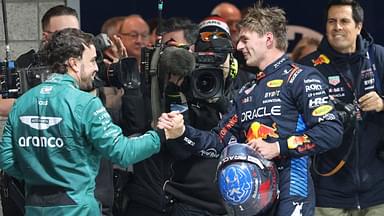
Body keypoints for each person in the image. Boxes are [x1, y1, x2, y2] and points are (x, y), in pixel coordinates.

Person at [158, 3, 343, 216]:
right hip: (252, 201)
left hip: (292, 190)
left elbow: (331, 131)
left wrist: (278, 148)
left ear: (268, 39)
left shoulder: (301, 77)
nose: (238, 47)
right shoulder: (248, 91)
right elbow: (220, 142)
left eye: (245, 39)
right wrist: (182, 132)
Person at [0, 28, 164, 216]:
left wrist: (38, 176)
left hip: (34, 207)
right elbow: (122, 152)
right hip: (78, 208)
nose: (96, 68)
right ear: (74, 63)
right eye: (92, 60)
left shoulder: (22, 103)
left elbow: (6, 158)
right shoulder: (86, 103)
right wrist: (161, 135)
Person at [299, 0, 384, 215]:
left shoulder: (379, 58)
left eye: (344, 21)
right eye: (331, 21)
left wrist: (383, 103)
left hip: (378, 191)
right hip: (328, 192)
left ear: (358, 26)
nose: (337, 27)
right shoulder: (309, 67)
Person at [163, 16, 240, 216]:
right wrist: (175, 91)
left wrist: (220, 100)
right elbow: (178, 149)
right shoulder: (184, 87)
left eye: (218, 57)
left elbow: (244, 140)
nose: (211, 66)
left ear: (231, 62)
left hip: (235, 203)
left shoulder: (246, 88)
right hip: (190, 203)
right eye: (206, 55)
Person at [123, 17, 199, 216]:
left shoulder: (203, 87)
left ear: (192, 50)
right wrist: (132, 85)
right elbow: (134, 128)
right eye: (163, 49)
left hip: (186, 201)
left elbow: (188, 146)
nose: (168, 56)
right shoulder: (147, 85)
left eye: (174, 47)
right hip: (146, 200)